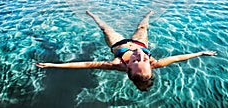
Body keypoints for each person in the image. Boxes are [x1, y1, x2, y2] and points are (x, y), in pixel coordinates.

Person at [36, 10, 216, 91]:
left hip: (119, 44)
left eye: (136, 61)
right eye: (144, 61)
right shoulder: (155, 62)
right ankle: (148, 15)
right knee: (143, 28)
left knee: (106, 29)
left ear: (127, 68)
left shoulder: (116, 64)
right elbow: (179, 58)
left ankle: (93, 16)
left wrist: (53, 64)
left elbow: (84, 64)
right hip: (139, 42)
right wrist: (200, 53)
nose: (141, 57)